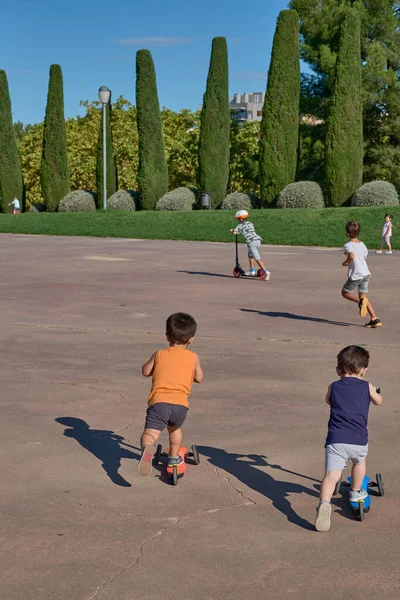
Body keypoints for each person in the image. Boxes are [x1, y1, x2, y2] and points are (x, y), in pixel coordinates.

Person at [315, 345, 383, 532]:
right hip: (358, 439)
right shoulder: (367, 386)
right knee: (359, 463)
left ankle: (324, 503)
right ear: (364, 370)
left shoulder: (334, 386)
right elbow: (379, 401)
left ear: (338, 369)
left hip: (336, 439)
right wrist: (376, 393)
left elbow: (328, 400)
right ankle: (355, 492)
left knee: (331, 475)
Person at [138, 312, 204, 477]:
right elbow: (199, 378)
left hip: (159, 403)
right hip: (180, 405)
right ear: (191, 339)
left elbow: (145, 371)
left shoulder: (159, 354)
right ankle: (174, 458)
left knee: (151, 433)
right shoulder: (193, 357)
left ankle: (148, 448)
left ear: (167, 336)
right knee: (175, 430)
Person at [341, 220, 382, 328]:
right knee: (364, 296)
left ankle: (360, 302)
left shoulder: (348, 245)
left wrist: (345, 263)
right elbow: (365, 258)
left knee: (345, 293)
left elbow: (351, 256)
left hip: (356, 275)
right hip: (366, 273)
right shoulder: (363, 244)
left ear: (347, 233)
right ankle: (374, 318)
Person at [229, 210, 271, 280]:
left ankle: (266, 272)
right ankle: (252, 271)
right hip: (258, 240)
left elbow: (235, 233)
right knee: (250, 255)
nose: (238, 221)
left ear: (241, 219)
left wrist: (231, 231)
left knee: (257, 258)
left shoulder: (240, 226)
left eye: (238, 219)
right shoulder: (250, 223)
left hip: (251, 243)